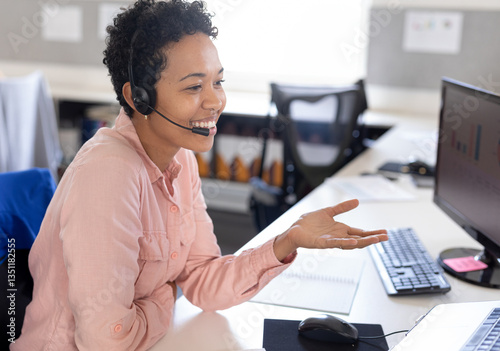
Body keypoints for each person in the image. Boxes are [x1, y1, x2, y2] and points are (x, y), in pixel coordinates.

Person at [12, 1, 388, 350]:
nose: (215, 101)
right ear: (138, 98)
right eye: (194, 86)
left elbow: (204, 283)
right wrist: (165, 296)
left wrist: (286, 241)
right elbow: (108, 341)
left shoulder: (181, 159)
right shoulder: (108, 174)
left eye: (218, 81)